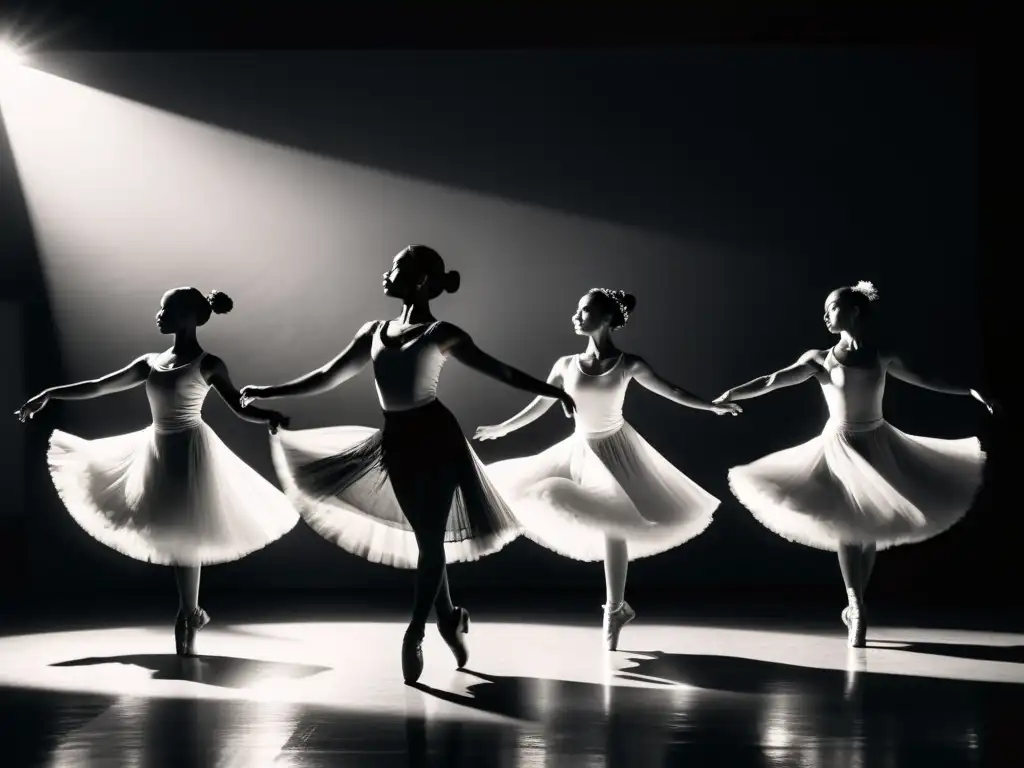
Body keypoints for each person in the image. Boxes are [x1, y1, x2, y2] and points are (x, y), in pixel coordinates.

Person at [238, 245, 576, 683]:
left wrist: (558, 393)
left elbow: (504, 373)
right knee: (426, 539)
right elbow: (327, 375)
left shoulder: (441, 333)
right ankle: (450, 617)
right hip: (396, 441)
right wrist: (270, 391)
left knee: (431, 541)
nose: (385, 274)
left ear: (418, 280)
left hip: (437, 439)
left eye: (395, 268)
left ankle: (414, 632)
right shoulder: (374, 331)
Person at [15, 287, 296, 656]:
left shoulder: (209, 364)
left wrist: (267, 416)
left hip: (191, 448)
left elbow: (238, 407)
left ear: (187, 317)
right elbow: (101, 386)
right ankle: (191, 611)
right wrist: (51, 393)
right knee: (173, 527)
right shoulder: (151, 361)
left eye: (165, 310)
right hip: (156, 446)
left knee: (187, 529)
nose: (158, 316)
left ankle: (186, 613)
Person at [714, 281, 995, 646]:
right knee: (848, 526)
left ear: (855, 311)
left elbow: (927, 380)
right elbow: (773, 380)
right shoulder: (820, 358)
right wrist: (733, 393)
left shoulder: (882, 356)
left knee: (869, 529)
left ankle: (856, 603)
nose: (826, 314)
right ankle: (856, 604)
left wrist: (971, 390)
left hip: (877, 442)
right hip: (839, 445)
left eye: (832, 307)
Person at [475, 288, 741, 651]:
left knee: (615, 524)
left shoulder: (629, 364)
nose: (575, 316)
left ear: (605, 319)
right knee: (526, 491)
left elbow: (672, 391)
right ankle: (617, 608)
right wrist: (502, 428)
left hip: (617, 450)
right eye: (577, 310)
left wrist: (710, 407)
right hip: (579, 449)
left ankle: (614, 609)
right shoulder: (565, 365)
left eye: (584, 311)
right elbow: (540, 404)